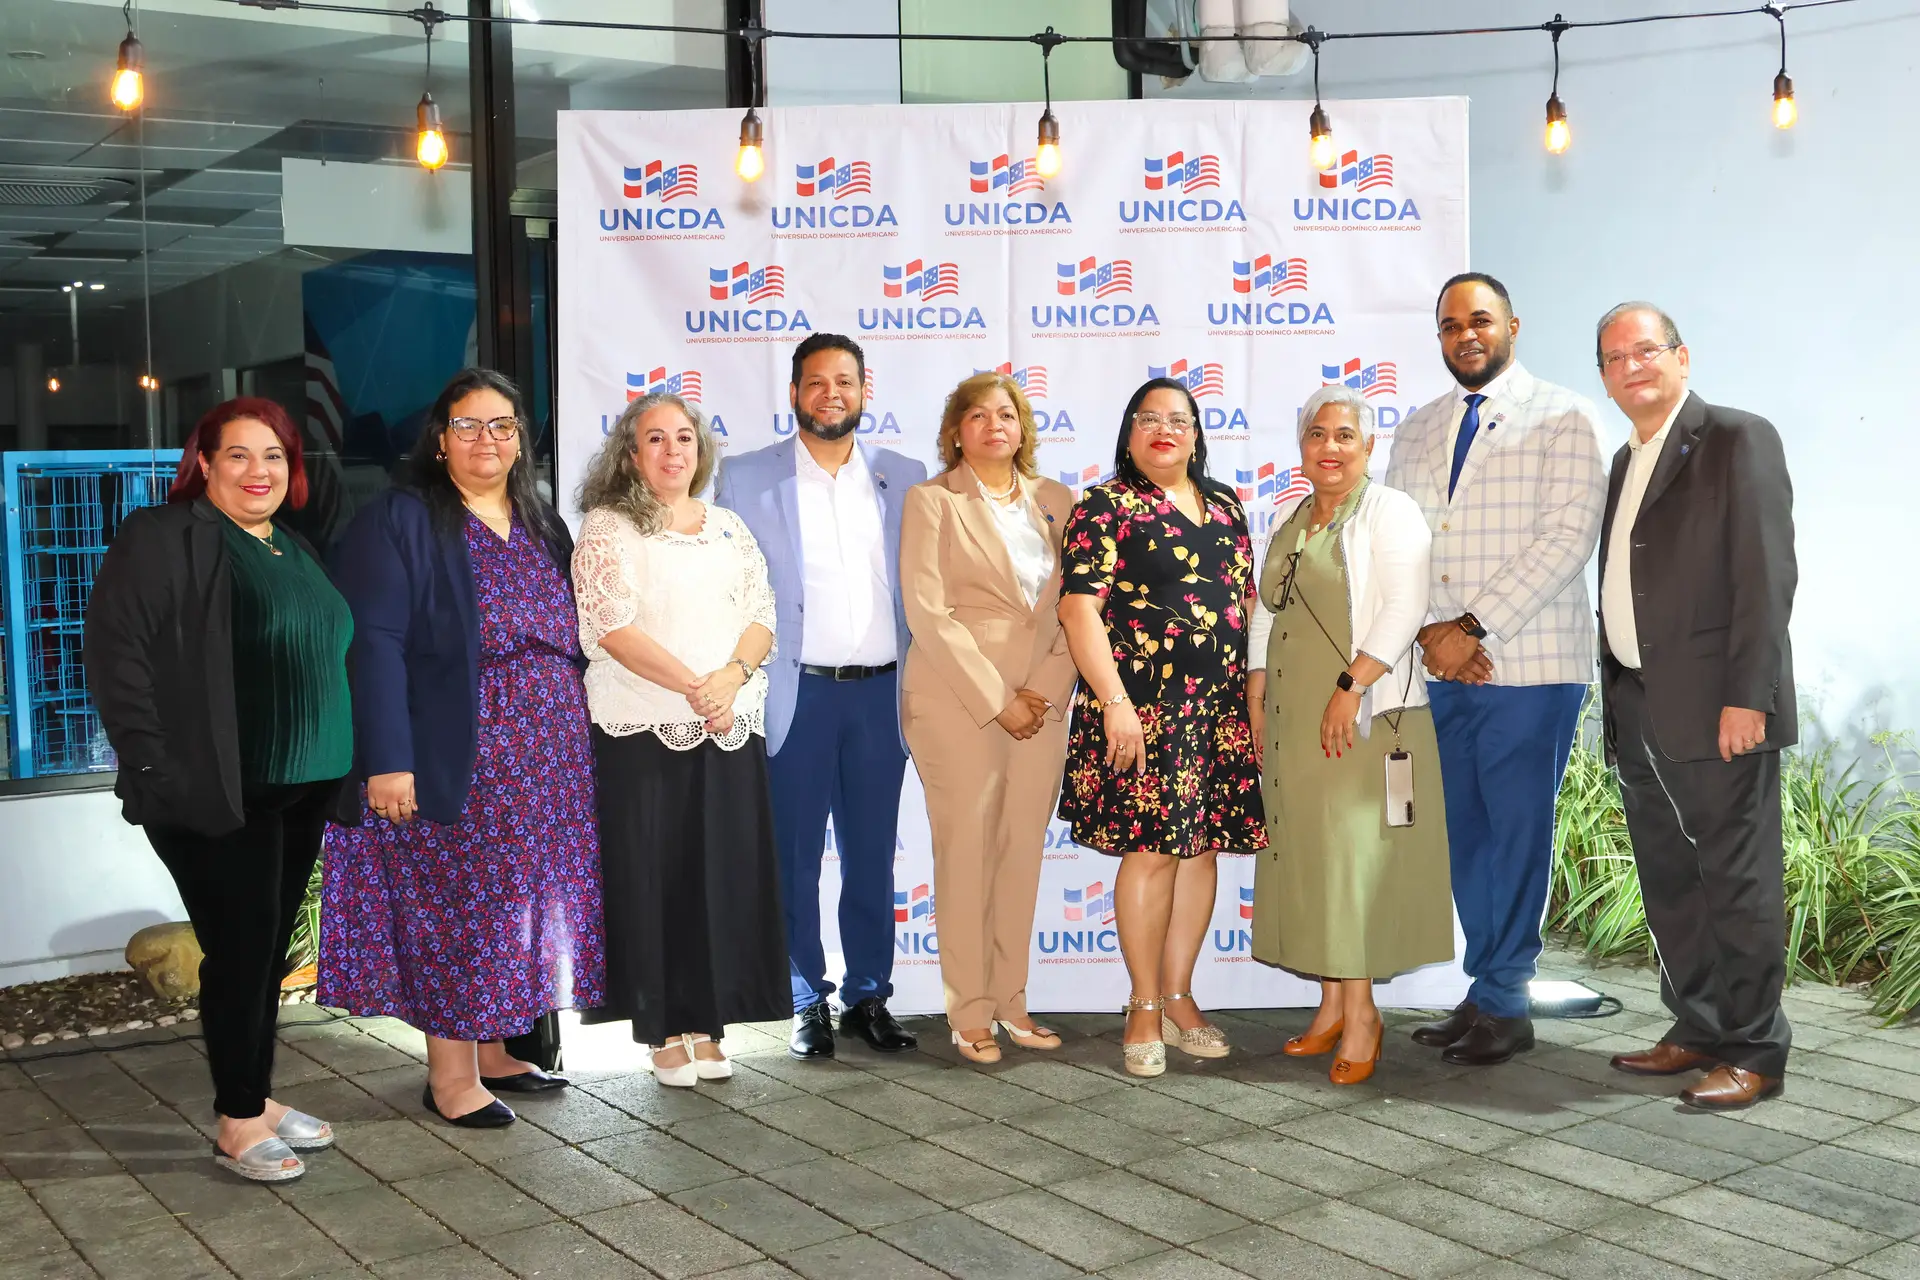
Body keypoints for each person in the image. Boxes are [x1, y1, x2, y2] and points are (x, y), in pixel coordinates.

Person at [319, 368, 605, 1128]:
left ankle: (495, 1049)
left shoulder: (542, 521)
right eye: (468, 425)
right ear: (440, 441)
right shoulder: (401, 519)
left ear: (521, 439)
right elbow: (373, 643)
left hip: (549, 761)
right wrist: (389, 759)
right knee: (456, 909)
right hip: (457, 754)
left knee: (516, 908)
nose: (487, 439)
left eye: (502, 425)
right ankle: (450, 1077)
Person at [85, 397, 350, 1182]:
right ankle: (237, 1120)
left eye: (273, 456)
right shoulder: (166, 537)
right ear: (203, 463)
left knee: (265, 954)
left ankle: (255, 1096)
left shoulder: (291, 545)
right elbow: (116, 655)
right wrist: (156, 769)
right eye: (238, 454)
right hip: (221, 793)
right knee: (240, 954)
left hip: (301, 788)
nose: (257, 471)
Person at [1383, 272, 1607, 1066]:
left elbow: (1567, 537)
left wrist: (1471, 627)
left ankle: (1508, 1000)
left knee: (1515, 833)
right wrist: (1428, 634)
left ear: (1513, 326)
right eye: (1451, 325)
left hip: (1530, 663)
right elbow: (1397, 544)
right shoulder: (1417, 429)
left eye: (1480, 320)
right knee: (1466, 838)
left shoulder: (1564, 415)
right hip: (1439, 667)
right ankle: (1484, 989)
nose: (1466, 335)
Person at [1594, 302, 1796, 1109]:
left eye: (1646, 350)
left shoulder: (1738, 439)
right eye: (1614, 358)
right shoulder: (1625, 459)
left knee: (1738, 881)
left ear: (1682, 357)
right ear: (1605, 379)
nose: (1632, 367)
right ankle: (1701, 1024)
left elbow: (1765, 577)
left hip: (1720, 710)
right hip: (1638, 701)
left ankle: (1755, 1049)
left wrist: (1749, 698)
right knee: (1671, 879)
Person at [713, 333, 929, 1060]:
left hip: (881, 697)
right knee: (794, 860)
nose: (830, 394)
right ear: (794, 393)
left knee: (871, 857)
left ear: (866, 390)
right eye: (815, 382)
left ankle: (868, 995)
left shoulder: (905, 476)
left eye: (844, 381)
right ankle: (805, 997)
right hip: (795, 694)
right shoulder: (745, 478)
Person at [571, 391, 789, 1085]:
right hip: (642, 732)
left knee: (716, 877)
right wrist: (697, 688)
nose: (673, 451)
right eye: (656, 439)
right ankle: (662, 1029)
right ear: (630, 455)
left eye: (684, 438)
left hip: (728, 727)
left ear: (701, 450)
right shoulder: (608, 527)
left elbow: (762, 615)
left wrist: (730, 680)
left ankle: (707, 1023)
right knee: (654, 880)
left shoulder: (727, 526)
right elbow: (611, 627)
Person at [1056, 377, 1267, 1078]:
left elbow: (1247, 606)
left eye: (1178, 419)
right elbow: (1078, 611)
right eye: (1148, 419)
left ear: (1197, 435)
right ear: (1129, 433)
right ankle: (1142, 1006)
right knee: (1151, 854)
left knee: (1200, 853)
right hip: (1144, 712)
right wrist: (1114, 701)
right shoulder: (1105, 506)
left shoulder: (1227, 504)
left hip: (1219, 713)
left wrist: (1254, 697)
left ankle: (1179, 998)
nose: (1164, 430)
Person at [1246, 386, 1452, 1086]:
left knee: (1349, 865)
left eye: (1344, 436)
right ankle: (1332, 1004)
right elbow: (1266, 610)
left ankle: (1364, 1016)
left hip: (1361, 716)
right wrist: (1256, 691)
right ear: (1301, 447)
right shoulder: (1291, 516)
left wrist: (1350, 687)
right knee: (1311, 858)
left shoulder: (1390, 511)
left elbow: (1405, 607)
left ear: (1368, 446)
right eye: (1317, 435)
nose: (1329, 448)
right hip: (1293, 718)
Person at [899, 372, 1078, 1065]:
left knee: (1020, 853)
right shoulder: (932, 501)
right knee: (967, 855)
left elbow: (1078, 605)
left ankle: (1012, 1002)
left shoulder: (1058, 500)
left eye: (1006, 414)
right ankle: (969, 1012)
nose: (993, 425)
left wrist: (1047, 688)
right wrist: (999, 698)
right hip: (958, 702)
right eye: (977, 416)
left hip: (1042, 704)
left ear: (1022, 428)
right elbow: (928, 612)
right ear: (956, 431)